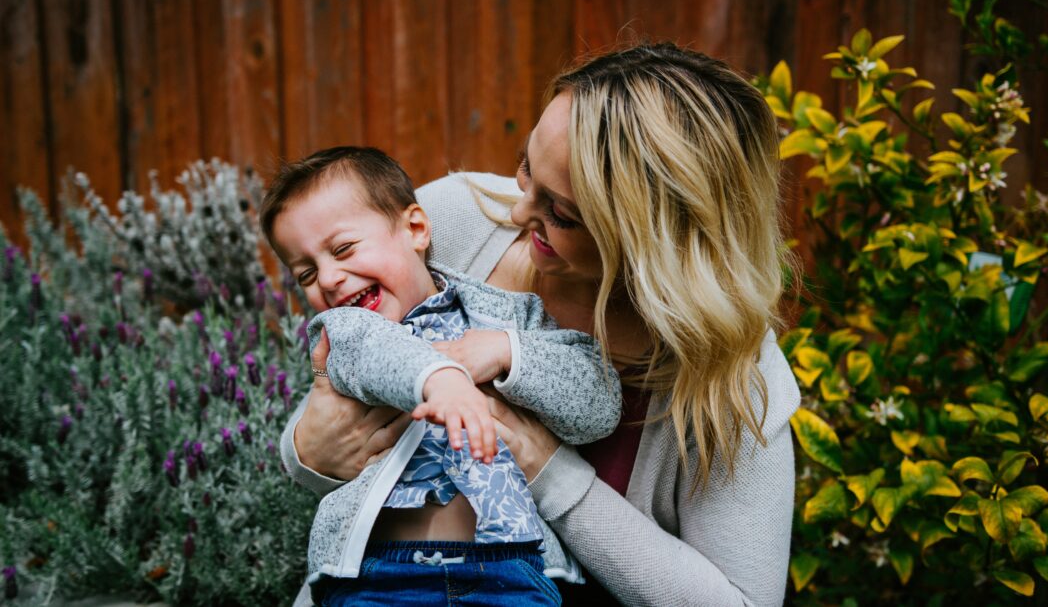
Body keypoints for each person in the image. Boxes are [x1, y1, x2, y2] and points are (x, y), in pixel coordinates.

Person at [282, 43, 801, 606]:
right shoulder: (456, 221)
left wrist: (552, 475)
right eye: (527, 166)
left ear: (659, 244)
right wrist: (307, 450)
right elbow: (345, 383)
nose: (519, 212)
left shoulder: (737, 382)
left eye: (562, 214)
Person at [260, 146, 621, 605]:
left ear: (415, 228)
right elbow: (377, 353)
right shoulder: (344, 333)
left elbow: (596, 406)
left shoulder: (507, 317)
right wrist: (439, 378)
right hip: (383, 575)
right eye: (306, 273)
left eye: (344, 249)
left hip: (512, 567)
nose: (329, 278)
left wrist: (508, 351)